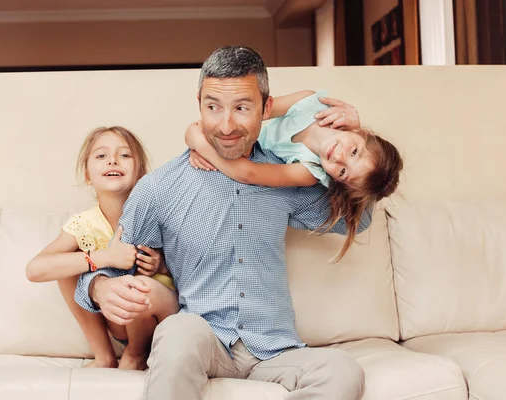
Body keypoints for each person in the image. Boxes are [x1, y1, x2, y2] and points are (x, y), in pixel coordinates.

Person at [75, 46, 372, 399]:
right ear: (199, 104)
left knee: (342, 370)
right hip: (204, 339)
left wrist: (356, 144)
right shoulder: (159, 187)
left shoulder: (285, 176)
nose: (226, 125)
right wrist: (99, 288)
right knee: (178, 331)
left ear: (266, 108)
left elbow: (360, 219)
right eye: (213, 107)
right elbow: (110, 264)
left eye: (242, 108)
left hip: (273, 349)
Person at [185, 89, 402, 260]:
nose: (339, 157)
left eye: (343, 172)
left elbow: (248, 173)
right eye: (354, 151)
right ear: (360, 132)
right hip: (238, 133)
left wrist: (201, 144)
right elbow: (259, 110)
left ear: (336, 180)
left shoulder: (309, 171)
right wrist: (211, 131)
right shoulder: (312, 103)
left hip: (244, 153)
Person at [26, 126, 178, 370]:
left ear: (141, 173)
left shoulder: (158, 217)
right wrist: (104, 257)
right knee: (67, 264)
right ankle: (104, 355)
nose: (113, 161)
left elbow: (194, 271)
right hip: (117, 322)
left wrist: (161, 264)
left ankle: (136, 355)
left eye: (124, 155)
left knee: (140, 286)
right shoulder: (84, 224)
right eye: (101, 156)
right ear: (88, 174)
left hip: (160, 317)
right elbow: (35, 270)